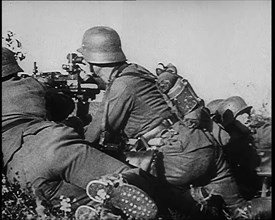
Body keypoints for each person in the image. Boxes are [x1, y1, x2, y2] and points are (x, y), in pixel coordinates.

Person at [79, 26, 271, 219]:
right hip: (205, 144)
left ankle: (196, 201)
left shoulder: (122, 86)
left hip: (177, 155)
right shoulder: (137, 73)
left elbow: (96, 136)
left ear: (93, 62)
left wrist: (71, 133)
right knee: (240, 210)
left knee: (139, 185)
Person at [2, 47, 164, 220]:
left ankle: (96, 212)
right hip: (54, 146)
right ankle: (115, 185)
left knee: (78, 203)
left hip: (18, 170)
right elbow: (64, 107)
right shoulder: (29, 85)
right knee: (131, 178)